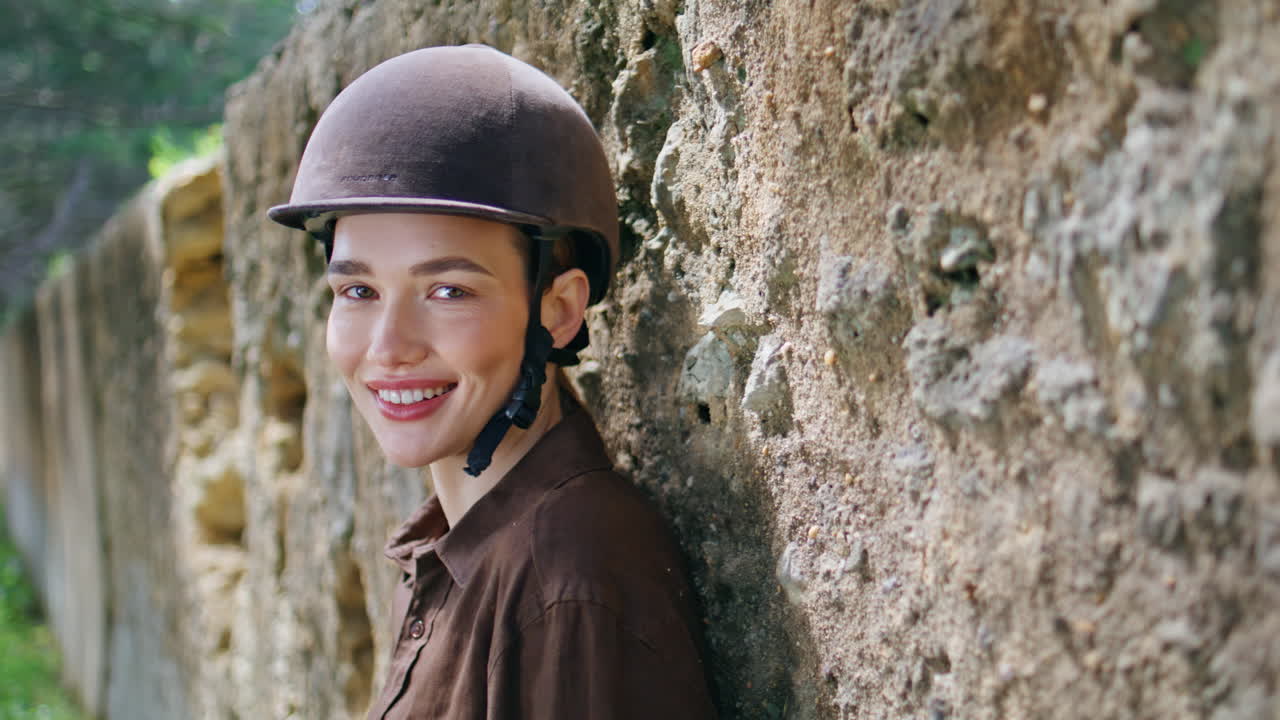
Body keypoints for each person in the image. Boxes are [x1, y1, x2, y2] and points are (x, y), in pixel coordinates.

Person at [268, 44, 717, 719]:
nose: (389, 349)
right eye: (358, 290)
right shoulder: (455, 550)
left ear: (558, 310)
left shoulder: (570, 583)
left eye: (449, 290)